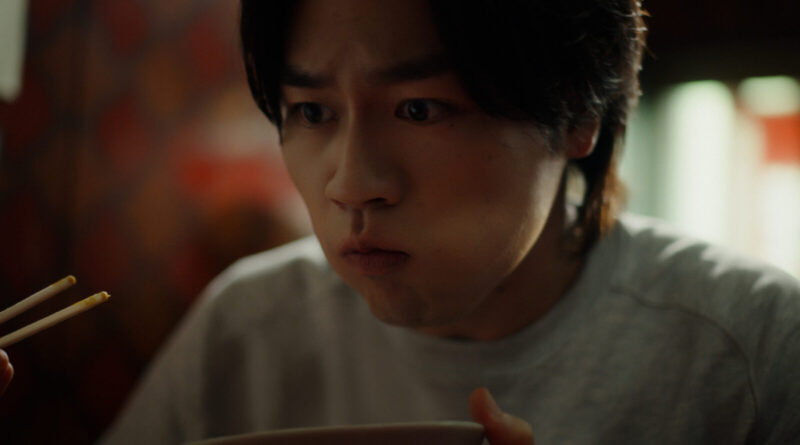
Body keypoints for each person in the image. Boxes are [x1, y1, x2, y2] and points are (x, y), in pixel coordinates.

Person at [97, 0, 800, 443]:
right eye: (311, 112)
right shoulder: (244, 333)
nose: (350, 185)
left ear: (576, 110)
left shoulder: (750, 349)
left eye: (420, 109)